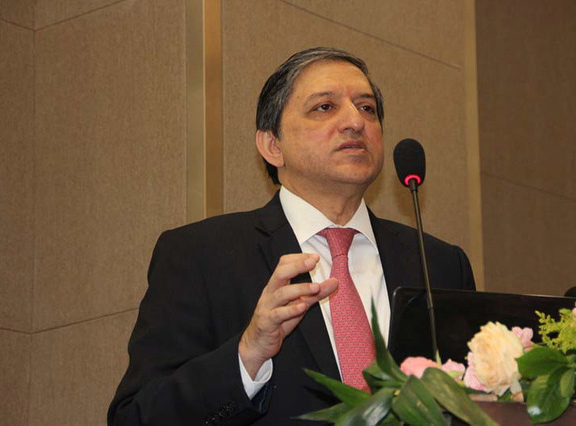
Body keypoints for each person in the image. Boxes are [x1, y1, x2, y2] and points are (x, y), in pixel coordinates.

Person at [108, 47, 476, 425]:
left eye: (367, 108)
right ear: (273, 146)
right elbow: (136, 418)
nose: (355, 122)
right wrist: (247, 355)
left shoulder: (439, 265)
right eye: (325, 107)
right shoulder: (201, 256)